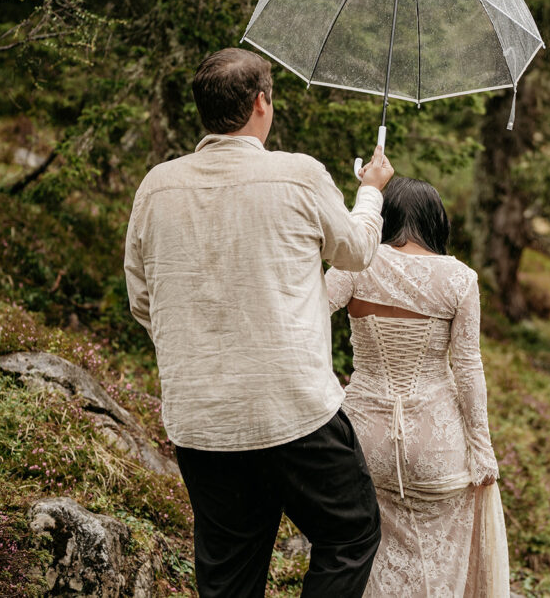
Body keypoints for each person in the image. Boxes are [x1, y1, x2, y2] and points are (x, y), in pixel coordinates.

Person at [123, 47, 394, 597]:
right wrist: (371, 190)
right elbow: (359, 250)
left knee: (230, 574)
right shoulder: (298, 174)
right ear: (261, 103)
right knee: (350, 532)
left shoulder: (156, 186)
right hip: (293, 410)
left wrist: (199, 349)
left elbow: (142, 300)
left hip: (201, 419)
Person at [325, 176, 510, 597]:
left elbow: (305, 310)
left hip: (365, 436)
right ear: (436, 221)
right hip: (436, 440)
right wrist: (482, 449)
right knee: (441, 557)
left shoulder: (358, 265)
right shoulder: (460, 279)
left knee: (371, 553)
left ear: (384, 219)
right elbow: (467, 368)